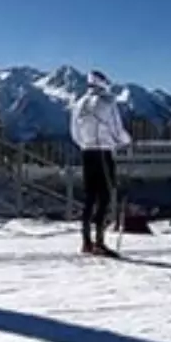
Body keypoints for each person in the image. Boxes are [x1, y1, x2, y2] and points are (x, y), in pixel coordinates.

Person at [69, 69, 133, 256]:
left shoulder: (79, 104)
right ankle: (100, 242)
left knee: (89, 198)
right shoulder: (107, 102)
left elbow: (74, 132)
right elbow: (116, 129)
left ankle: (86, 242)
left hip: (87, 153)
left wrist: (85, 145)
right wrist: (125, 141)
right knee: (104, 197)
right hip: (104, 153)